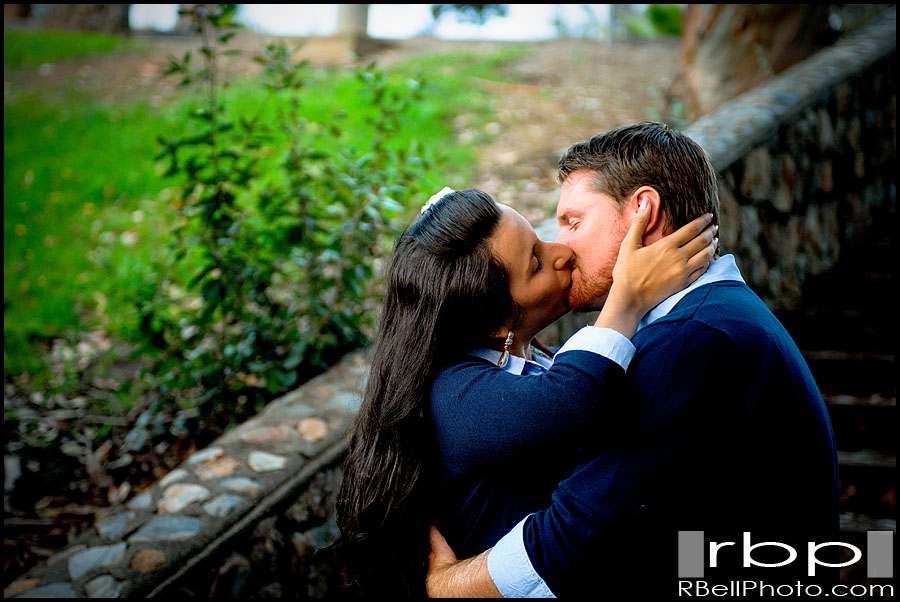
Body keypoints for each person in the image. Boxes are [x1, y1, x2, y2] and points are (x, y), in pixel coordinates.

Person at [425, 122, 839, 597]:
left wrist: (447, 586)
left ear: (643, 210)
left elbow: (577, 539)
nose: (563, 248)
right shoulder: (711, 320)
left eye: (574, 222)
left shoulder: (690, 341)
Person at [335, 183, 718, 597]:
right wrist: (628, 295)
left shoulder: (526, 363)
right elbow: (572, 400)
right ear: (494, 323)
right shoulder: (453, 395)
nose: (561, 253)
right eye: (535, 263)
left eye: (538, 240)